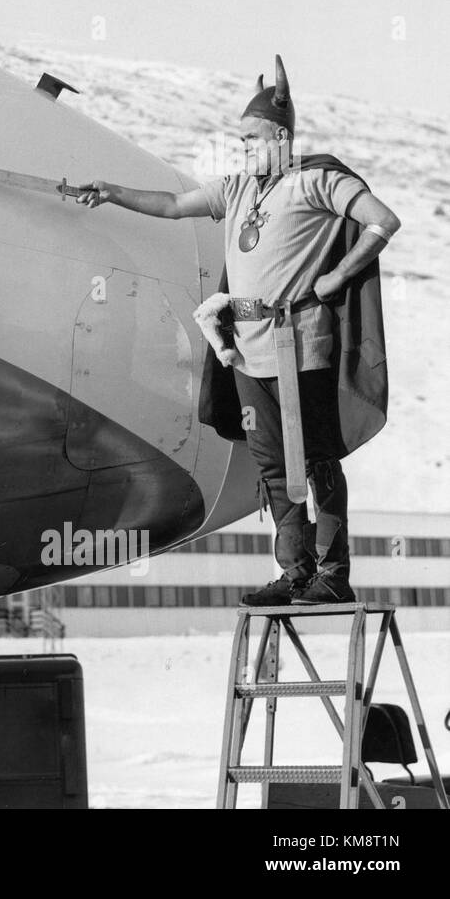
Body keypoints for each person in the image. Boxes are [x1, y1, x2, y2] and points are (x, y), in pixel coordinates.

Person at [74, 56, 400, 606]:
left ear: (279, 134)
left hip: (301, 343)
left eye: (250, 138)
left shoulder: (317, 180)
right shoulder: (238, 189)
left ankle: (333, 574)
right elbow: (175, 206)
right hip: (248, 350)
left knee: (316, 457)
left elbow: (382, 221)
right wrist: (111, 191)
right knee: (272, 465)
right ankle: (296, 573)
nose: (243, 147)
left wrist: (339, 275)